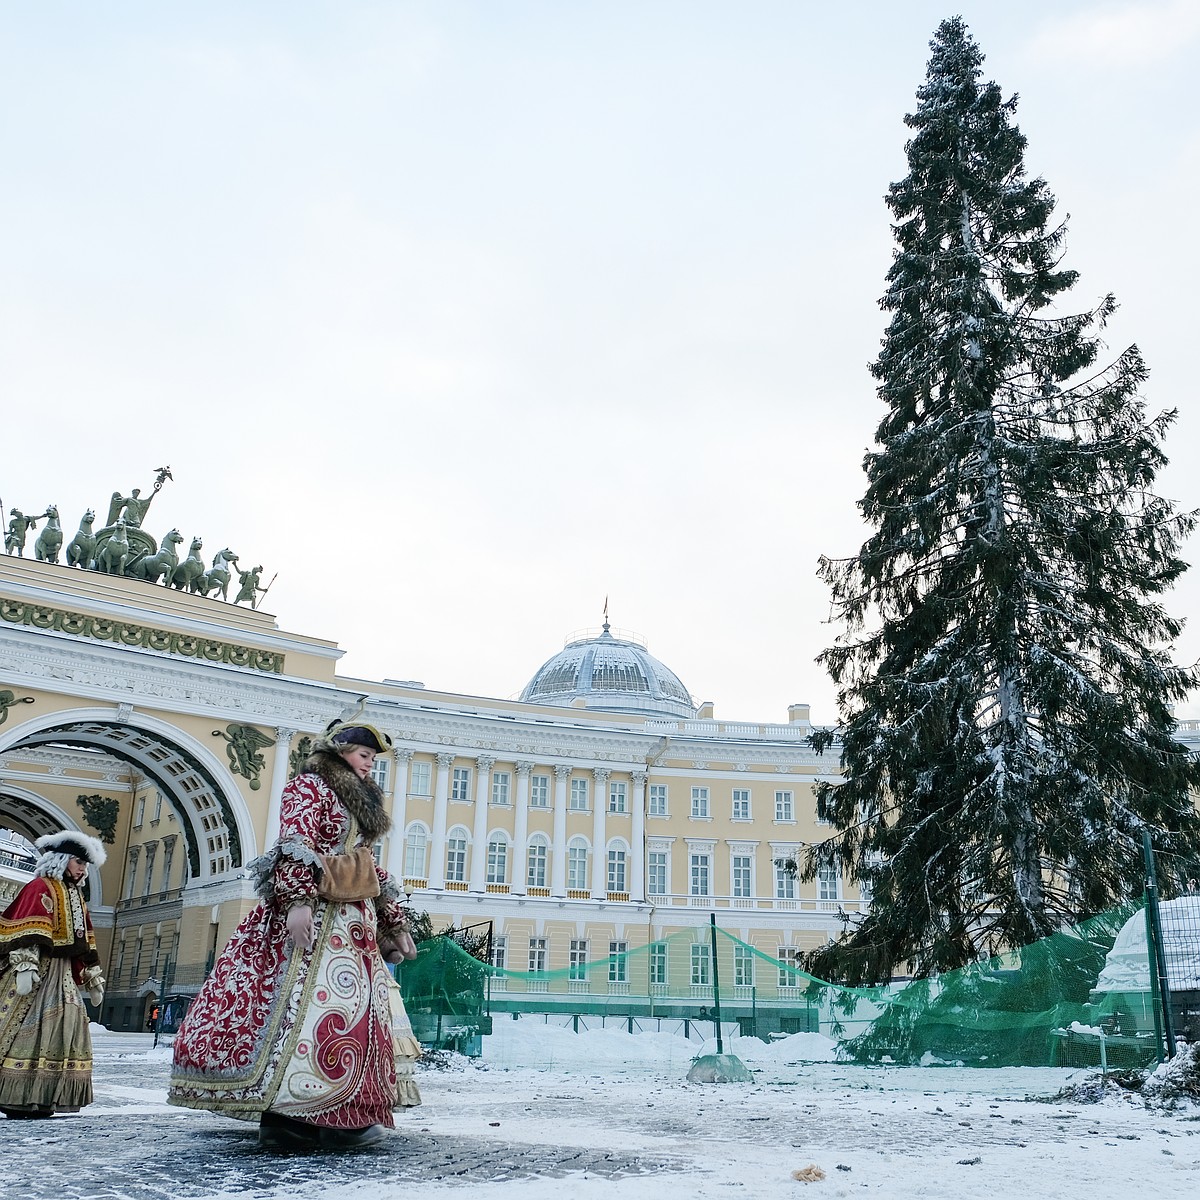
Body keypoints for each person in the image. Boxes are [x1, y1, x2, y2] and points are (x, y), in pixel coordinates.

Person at [168, 718, 422, 1151]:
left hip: (351, 926)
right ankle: (291, 1117)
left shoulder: (357, 802)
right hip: (315, 919)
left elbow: (365, 865)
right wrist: (298, 902)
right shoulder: (309, 788)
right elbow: (295, 845)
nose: (370, 768)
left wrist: (392, 921)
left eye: (374, 761)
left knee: (350, 1015)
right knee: (302, 1013)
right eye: (365, 757)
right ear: (342, 751)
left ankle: (336, 1115)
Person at [0, 831, 107, 1118]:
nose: (83, 868)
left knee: (68, 1025)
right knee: (28, 1027)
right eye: (78, 861)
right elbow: (28, 930)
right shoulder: (39, 888)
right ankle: (16, 1095)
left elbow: (86, 938)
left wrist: (92, 975)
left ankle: (46, 1096)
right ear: (60, 860)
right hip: (38, 972)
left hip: (63, 976)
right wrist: (25, 966)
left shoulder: (76, 896)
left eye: (85, 863)